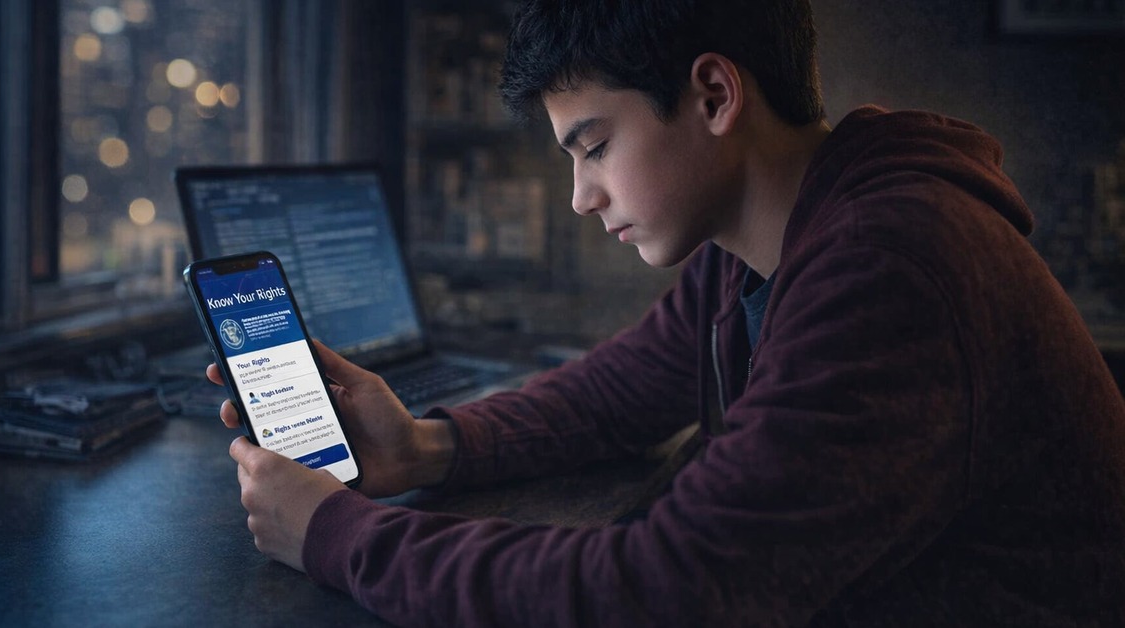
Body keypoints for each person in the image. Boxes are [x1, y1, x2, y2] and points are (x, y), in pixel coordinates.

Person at [206, 0, 1125, 625]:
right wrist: (423, 448)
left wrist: (334, 533)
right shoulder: (778, 239)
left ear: (716, 95)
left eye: (595, 146)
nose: (580, 196)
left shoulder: (889, 269)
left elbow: (662, 595)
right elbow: (617, 393)